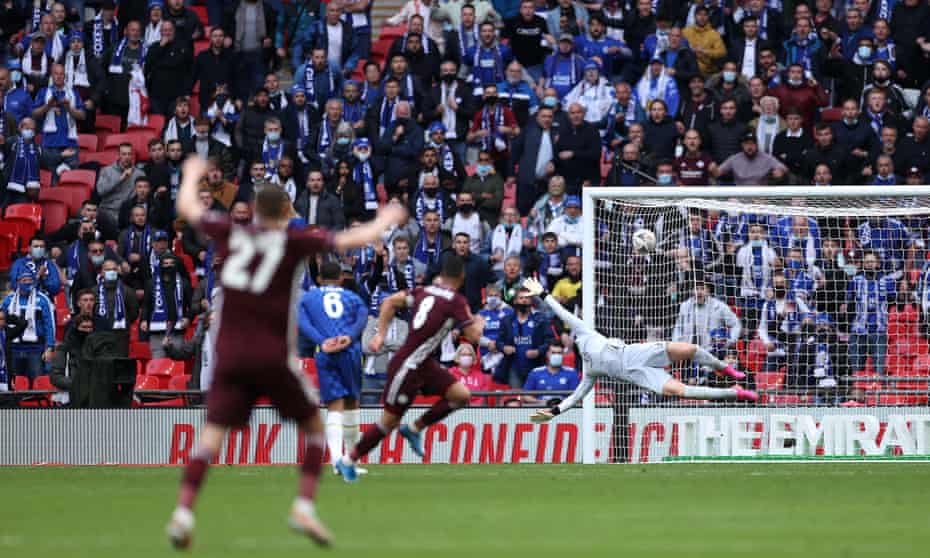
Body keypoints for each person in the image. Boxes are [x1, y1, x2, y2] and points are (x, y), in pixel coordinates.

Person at [166, 156, 408, 548]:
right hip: (269, 354)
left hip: (229, 354)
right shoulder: (292, 240)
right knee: (314, 427)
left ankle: (183, 512)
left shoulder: (230, 231)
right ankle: (304, 507)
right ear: (286, 212)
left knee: (210, 437)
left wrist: (192, 173)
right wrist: (385, 219)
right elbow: (346, 242)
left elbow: (188, 208)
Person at [334, 254, 486, 481]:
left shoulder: (423, 291)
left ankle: (414, 429)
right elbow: (473, 335)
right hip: (408, 366)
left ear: (441, 275)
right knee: (388, 422)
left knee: (461, 395)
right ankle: (347, 461)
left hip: (423, 362)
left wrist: (381, 335)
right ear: (462, 277)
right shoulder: (456, 301)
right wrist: (479, 322)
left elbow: (389, 302)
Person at [524, 277, 757, 424]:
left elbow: (562, 313)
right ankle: (734, 392)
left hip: (636, 353)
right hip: (639, 375)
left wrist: (543, 293)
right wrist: (554, 412)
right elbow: (576, 396)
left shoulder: (584, 332)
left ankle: (724, 369)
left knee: (691, 348)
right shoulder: (590, 371)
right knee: (684, 392)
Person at [298, 261, 368, 471]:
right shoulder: (351, 296)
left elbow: (302, 322)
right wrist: (350, 336)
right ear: (341, 278)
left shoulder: (308, 297)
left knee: (334, 406)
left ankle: (337, 461)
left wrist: (321, 341)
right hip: (350, 351)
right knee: (352, 403)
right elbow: (363, 315)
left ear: (319, 280)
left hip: (325, 353)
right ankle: (351, 460)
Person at [1, 273, 55, 386]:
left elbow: (49, 325)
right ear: (17, 282)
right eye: (24, 280)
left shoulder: (42, 299)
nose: (27, 282)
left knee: (37, 384)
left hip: (35, 350)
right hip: (13, 350)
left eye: (30, 280)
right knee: (14, 385)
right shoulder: (8, 300)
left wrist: (49, 347)